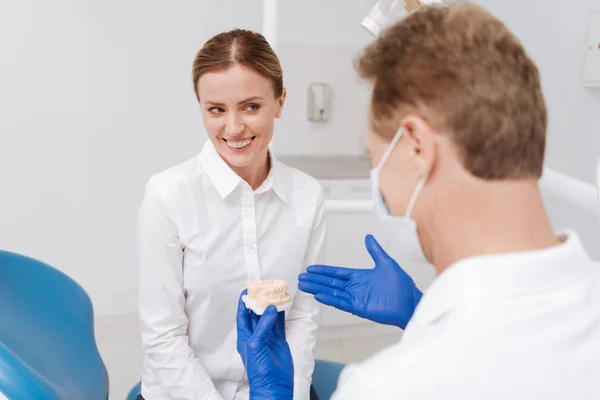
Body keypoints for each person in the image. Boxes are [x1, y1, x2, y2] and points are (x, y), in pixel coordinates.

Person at [235, 3, 600, 399]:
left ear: (416, 147)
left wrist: (271, 395)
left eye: (375, 160)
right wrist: (419, 313)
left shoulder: (385, 388)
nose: (380, 185)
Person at [137, 29, 325, 400]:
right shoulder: (168, 195)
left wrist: (286, 393)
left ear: (280, 101)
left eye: (251, 107)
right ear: (201, 108)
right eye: (216, 110)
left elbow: (302, 317)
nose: (234, 128)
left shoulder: (307, 195)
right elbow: (163, 335)